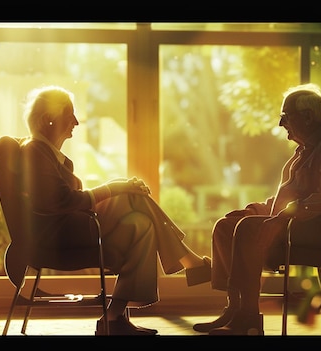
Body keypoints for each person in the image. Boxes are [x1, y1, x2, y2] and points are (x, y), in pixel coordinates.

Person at [20, 85, 211, 335]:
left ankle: (113, 318)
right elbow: (61, 201)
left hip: (71, 228)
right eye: (70, 113)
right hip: (60, 235)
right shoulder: (35, 151)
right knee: (129, 194)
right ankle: (190, 261)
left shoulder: (47, 153)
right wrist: (114, 188)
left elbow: (66, 200)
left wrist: (117, 188)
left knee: (142, 226)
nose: (76, 121)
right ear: (49, 119)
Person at [192, 83, 321, 335]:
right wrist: (256, 210)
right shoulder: (302, 152)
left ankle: (247, 318)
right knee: (227, 225)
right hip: (296, 222)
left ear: (308, 117)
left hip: (318, 229)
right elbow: (287, 197)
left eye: (285, 116)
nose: (281, 124)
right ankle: (234, 308)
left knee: (246, 230)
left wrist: (284, 216)